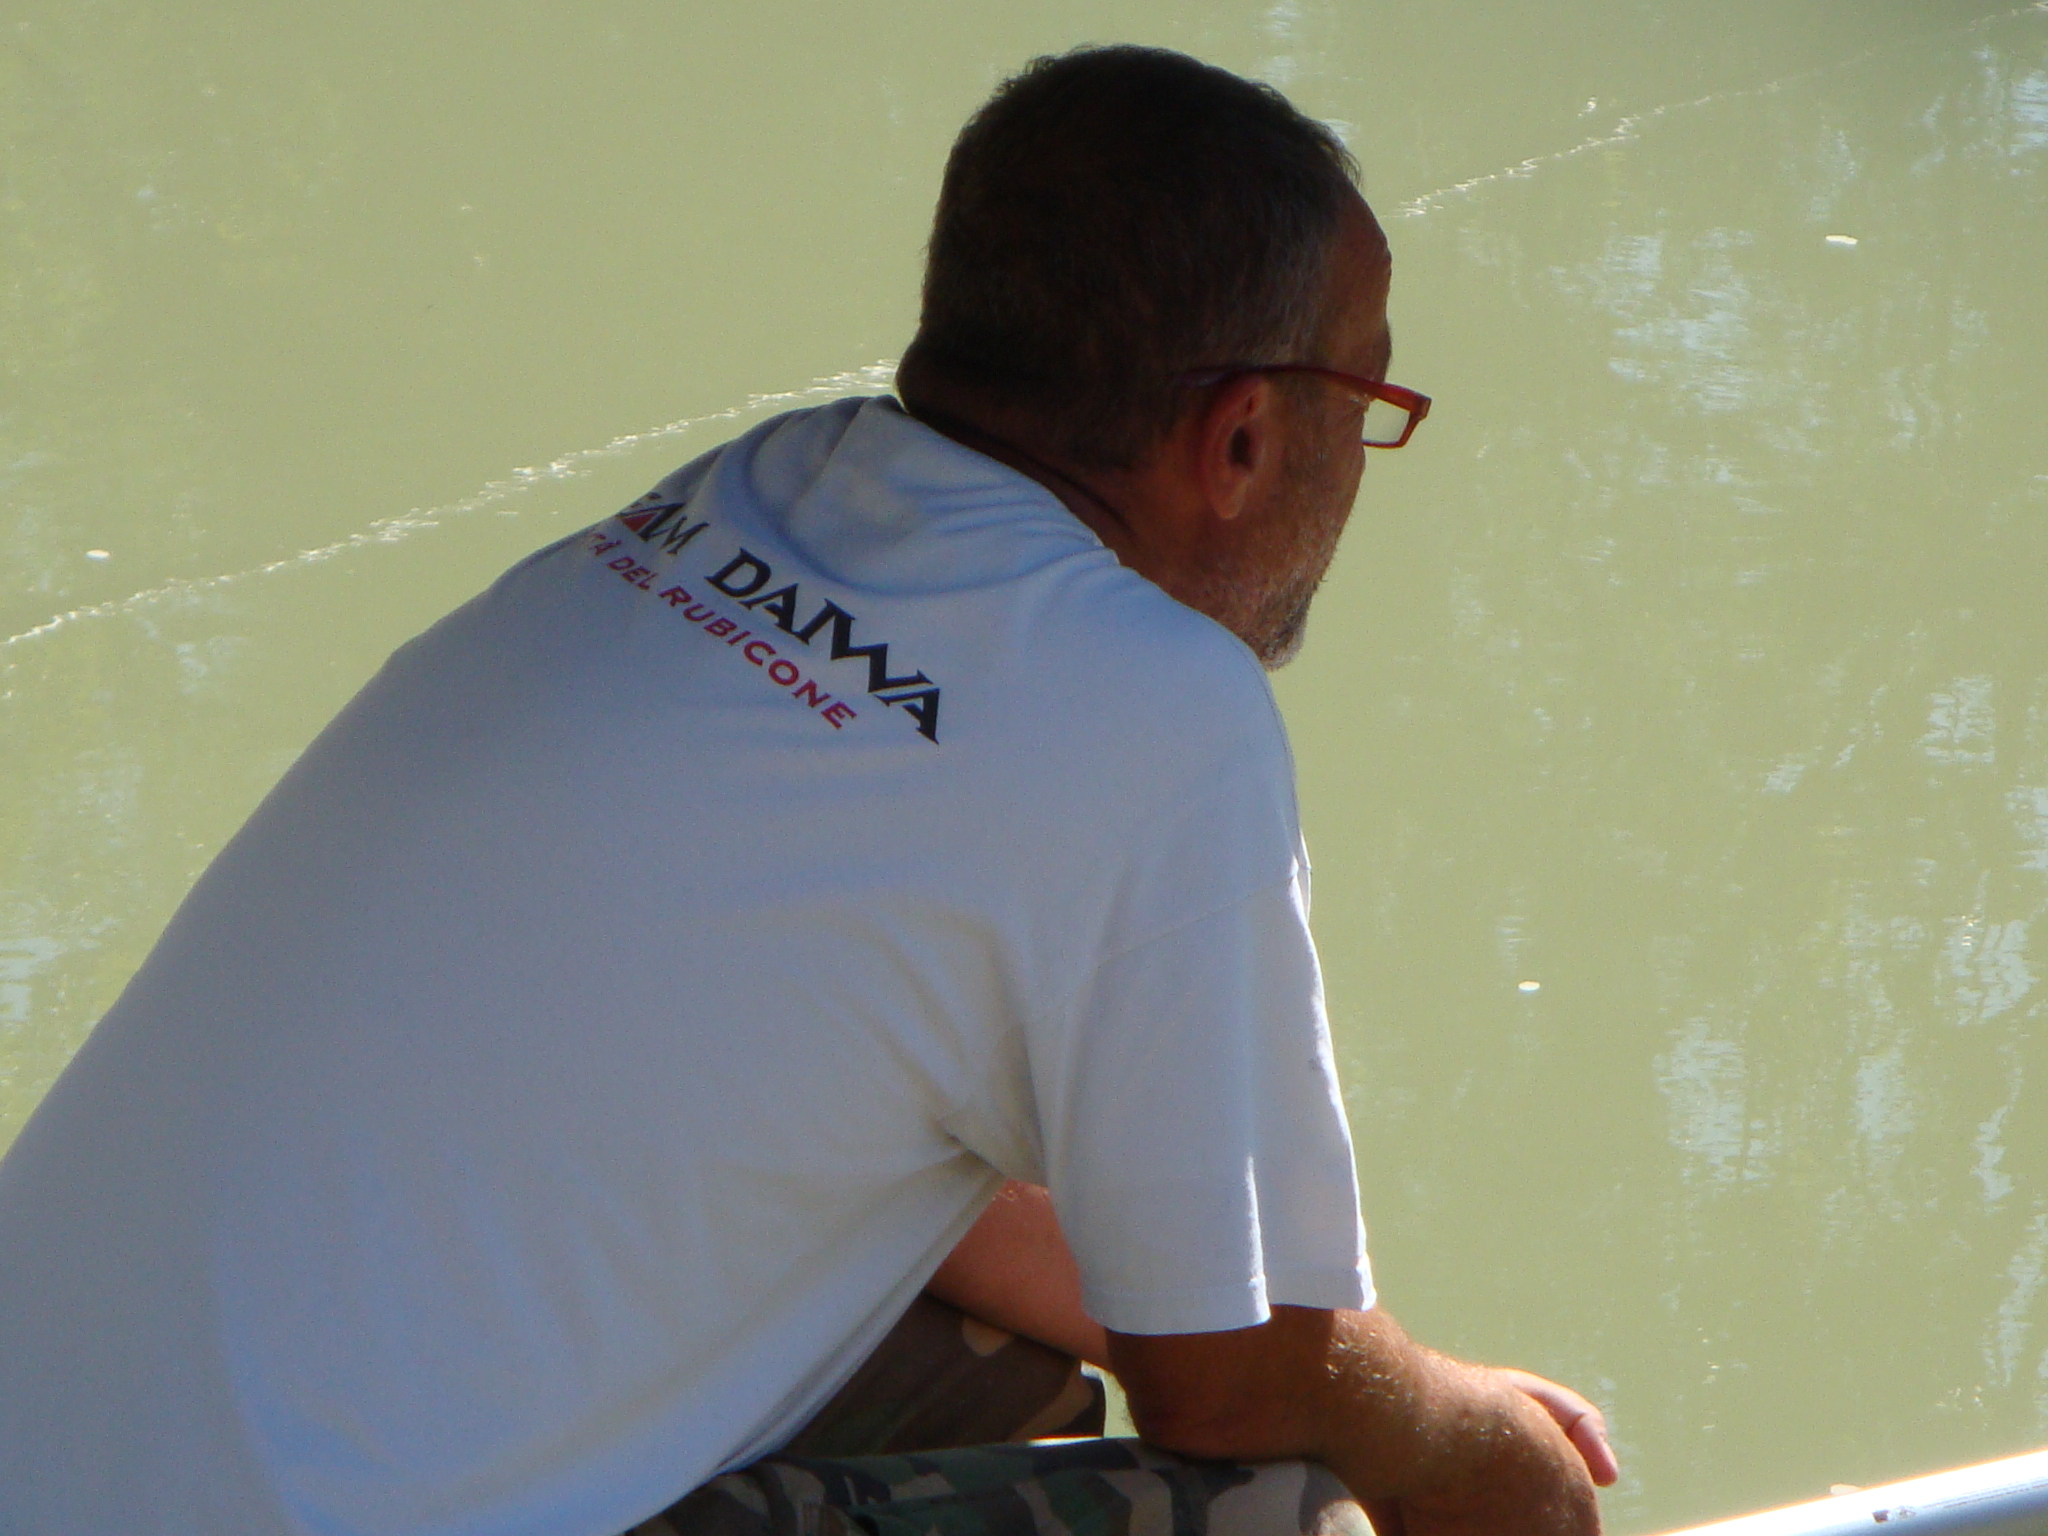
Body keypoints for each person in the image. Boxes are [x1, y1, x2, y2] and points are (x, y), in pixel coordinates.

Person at [0, 44, 1617, 1536]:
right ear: (1244, 438)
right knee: (1289, 1507)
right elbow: (1236, 1383)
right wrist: (1470, 1441)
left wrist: (1279, 1325)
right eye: (1367, 405)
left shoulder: (756, 495)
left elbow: (851, 1140)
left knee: (989, 1374)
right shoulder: (1156, 709)